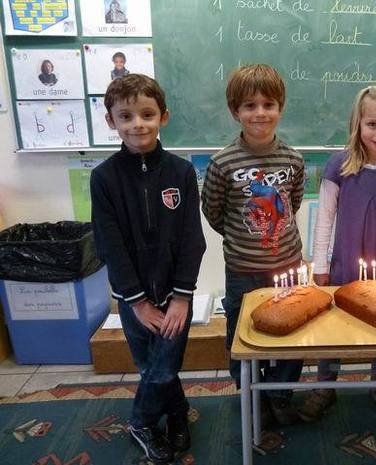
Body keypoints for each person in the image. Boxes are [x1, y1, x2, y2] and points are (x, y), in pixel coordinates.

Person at [90, 74, 206, 463]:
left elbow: (193, 239)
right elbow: (109, 244)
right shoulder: (104, 178)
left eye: (147, 114)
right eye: (126, 116)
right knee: (151, 366)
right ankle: (175, 414)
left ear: (163, 117)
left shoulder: (181, 172)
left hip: (174, 297)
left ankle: (140, 422)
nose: (137, 123)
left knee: (163, 366)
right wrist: (138, 303)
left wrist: (181, 297)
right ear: (111, 121)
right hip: (134, 300)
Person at [298, 84, 376, 422]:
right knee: (332, 323)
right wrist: (320, 265)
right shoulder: (339, 165)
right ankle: (325, 384)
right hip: (345, 263)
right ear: (358, 123)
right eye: (372, 124)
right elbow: (323, 221)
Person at [201, 64, 305, 426]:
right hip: (243, 271)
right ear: (235, 111)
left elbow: (292, 204)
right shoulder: (222, 162)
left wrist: (272, 234)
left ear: (281, 107)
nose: (260, 113)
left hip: (288, 267)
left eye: (268, 104)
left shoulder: (292, 159)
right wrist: (245, 239)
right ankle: (251, 393)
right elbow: (214, 212)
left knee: (293, 334)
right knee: (242, 335)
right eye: (249, 105)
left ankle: (280, 394)